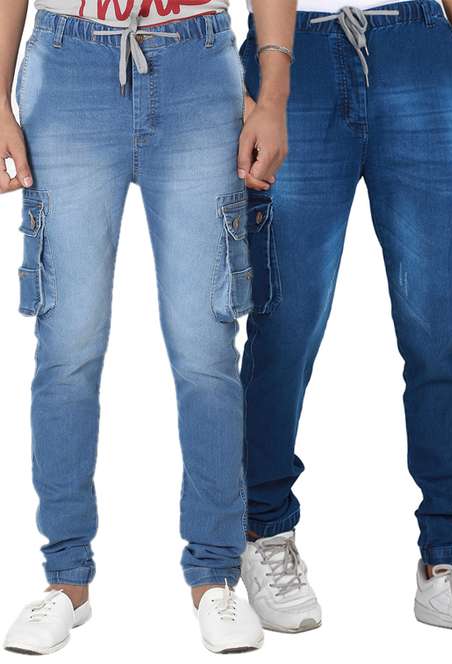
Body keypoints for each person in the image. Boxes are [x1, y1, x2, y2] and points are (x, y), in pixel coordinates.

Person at [0, 0, 296, 655]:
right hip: (68, 65)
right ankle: (65, 580)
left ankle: (216, 579)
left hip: (197, 63)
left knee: (205, 348)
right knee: (67, 346)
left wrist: (272, 97)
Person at [239, 0, 452, 647]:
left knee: (441, 328)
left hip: (419, 47)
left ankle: (449, 558)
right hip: (290, 50)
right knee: (284, 323)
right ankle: (262, 530)